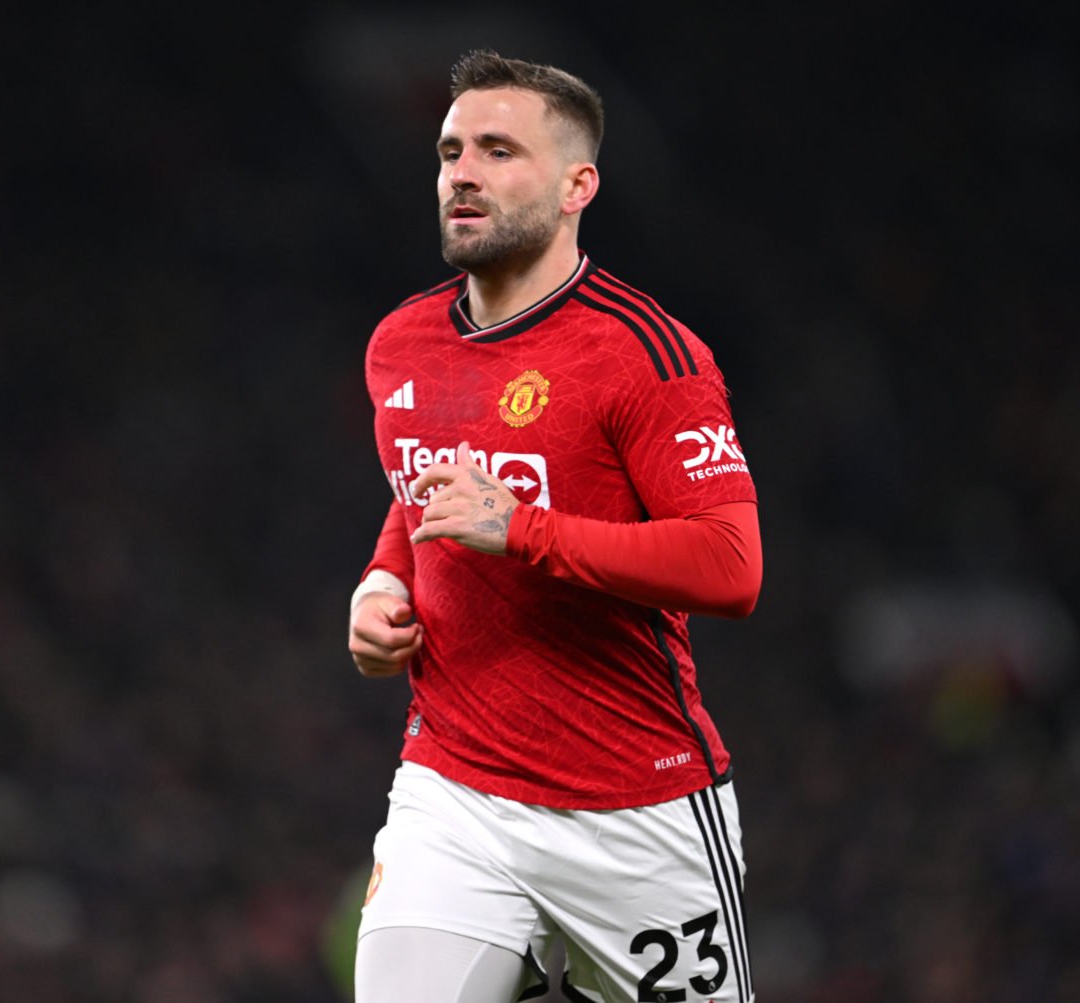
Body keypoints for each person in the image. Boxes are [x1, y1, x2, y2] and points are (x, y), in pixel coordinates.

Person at [348, 48, 761, 1003]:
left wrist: (526, 529)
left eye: (500, 150)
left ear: (579, 185)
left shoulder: (645, 352)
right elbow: (420, 496)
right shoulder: (400, 343)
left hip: (638, 807)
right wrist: (384, 581)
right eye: (452, 150)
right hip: (453, 790)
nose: (463, 171)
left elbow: (732, 565)